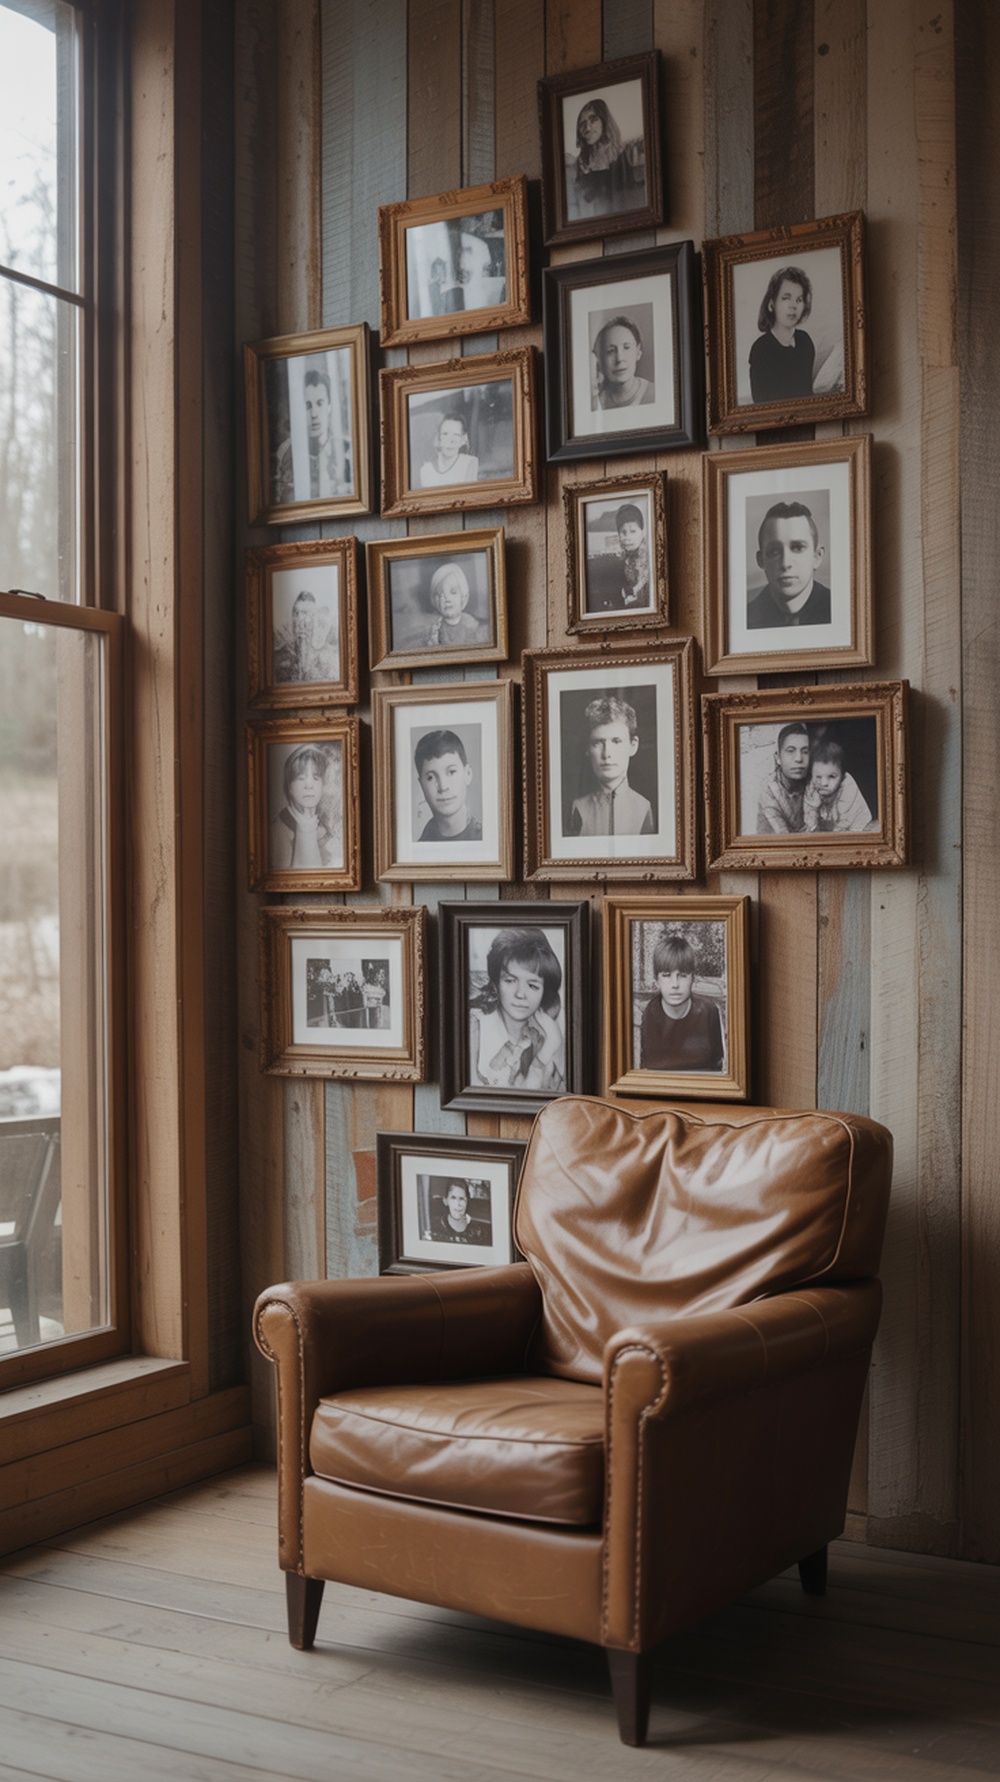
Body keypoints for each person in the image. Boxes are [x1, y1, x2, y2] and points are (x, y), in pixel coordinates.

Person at [468, 929, 566, 1094]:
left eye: (532, 986)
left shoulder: (538, 1038)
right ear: (496, 984)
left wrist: (549, 1047)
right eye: (510, 981)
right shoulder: (474, 1029)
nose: (520, 994)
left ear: (544, 992)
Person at [568, 696, 655, 837]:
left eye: (616, 741)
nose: (607, 754)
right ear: (587, 748)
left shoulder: (643, 807)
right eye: (598, 743)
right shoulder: (578, 808)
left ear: (633, 745)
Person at [639, 933, 725, 1073]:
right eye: (666, 975)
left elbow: (718, 1065)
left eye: (683, 976)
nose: (675, 984)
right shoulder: (649, 1013)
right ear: (656, 979)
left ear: (693, 978)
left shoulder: (709, 1012)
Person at [272, 364, 351, 504]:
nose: (314, 414)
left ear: (329, 406)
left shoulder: (346, 450)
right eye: (307, 406)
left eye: (320, 403)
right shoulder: (285, 452)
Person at [748, 501, 831, 629]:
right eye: (774, 552)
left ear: (817, 556)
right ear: (761, 560)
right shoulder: (746, 618)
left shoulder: (839, 608)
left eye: (798, 548)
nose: (785, 563)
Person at [748, 265, 816, 404]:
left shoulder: (805, 341)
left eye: (799, 300)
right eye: (786, 298)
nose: (793, 306)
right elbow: (761, 406)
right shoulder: (760, 349)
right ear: (771, 304)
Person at [569, 96, 645, 218]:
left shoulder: (627, 153)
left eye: (593, 120)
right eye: (582, 124)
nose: (587, 128)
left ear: (604, 120)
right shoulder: (580, 166)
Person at [269, 743, 342, 869]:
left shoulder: (324, 826)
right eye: (301, 778)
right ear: (289, 786)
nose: (309, 785)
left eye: (315, 778)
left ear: (323, 784)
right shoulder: (278, 830)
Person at [414, 728, 482, 842]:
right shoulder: (421, 844)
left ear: (468, 774)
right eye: (431, 777)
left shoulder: (485, 838)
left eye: (451, 772)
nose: (443, 787)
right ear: (421, 785)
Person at [802, 738, 876, 833]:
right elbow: (809, 814)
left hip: (856, 825)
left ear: (842, 776)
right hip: (829, 824)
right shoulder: (812, 786)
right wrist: (813, 820)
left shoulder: (847, 785)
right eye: (818, 777)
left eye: (832, 776)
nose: (824, 783)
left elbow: (845, 822)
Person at [273, 588, 340, 682]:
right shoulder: (279, 660)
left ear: (314, 620)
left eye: (305, 614)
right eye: (296, 614)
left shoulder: (329, 662)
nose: (300, 621)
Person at [755, 722, 811, 833]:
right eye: (790, 751)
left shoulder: (818, 780)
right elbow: (783, 836)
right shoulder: (769, 792)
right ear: (778, 758)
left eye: (805, 751)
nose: (799, 758)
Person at [593, 315, 654, 410]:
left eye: (626, 347)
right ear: (600, 358)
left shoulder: (654, 394)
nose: (619, 358)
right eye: (610, 351)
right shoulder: (597, 402)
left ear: (638, 352)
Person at [424, 562, 490, 648]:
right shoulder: (433, 632)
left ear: (463, 596)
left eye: (453, 592)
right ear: (435, 600)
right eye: (441, 594)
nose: (447, 599)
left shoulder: (476, 628)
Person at [418, 413, 479, 487]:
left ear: (463, 439)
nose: (450, 440)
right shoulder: (426, 470)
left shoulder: (469, 463)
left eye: (456, 435)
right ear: (439, 438)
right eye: (445, 434)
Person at [431, 1180, 491, 1245]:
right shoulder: (436, 1228)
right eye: (453, 1198)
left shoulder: (477, 1233)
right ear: (445, 1200)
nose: (458, 1204)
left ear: (467, 1202)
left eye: (462, 1198)